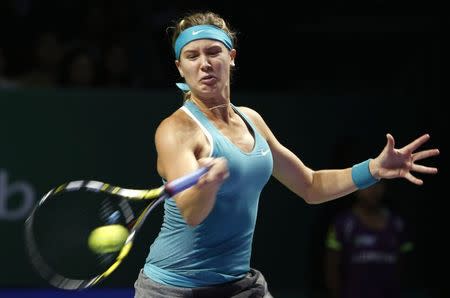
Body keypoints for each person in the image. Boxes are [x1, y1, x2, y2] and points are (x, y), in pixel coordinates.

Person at [133, 11, 439, 298]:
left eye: (213, 52)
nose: (204, 63)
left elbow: (310, 186)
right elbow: (192, 212)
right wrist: (208, 186)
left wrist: (372, 168)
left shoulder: (252, 121)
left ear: (232, 57)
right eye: (192, 55)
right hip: (173, 289)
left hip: (239, 285)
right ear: (180, 67)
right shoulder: (177, 130)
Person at [324, 181, 414, 298]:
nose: (373, 190)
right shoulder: (342, 224)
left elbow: (405, 266)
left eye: (378, 185)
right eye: (367, 185)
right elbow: (331, 267)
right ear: (355, 189)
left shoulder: (398, 224)